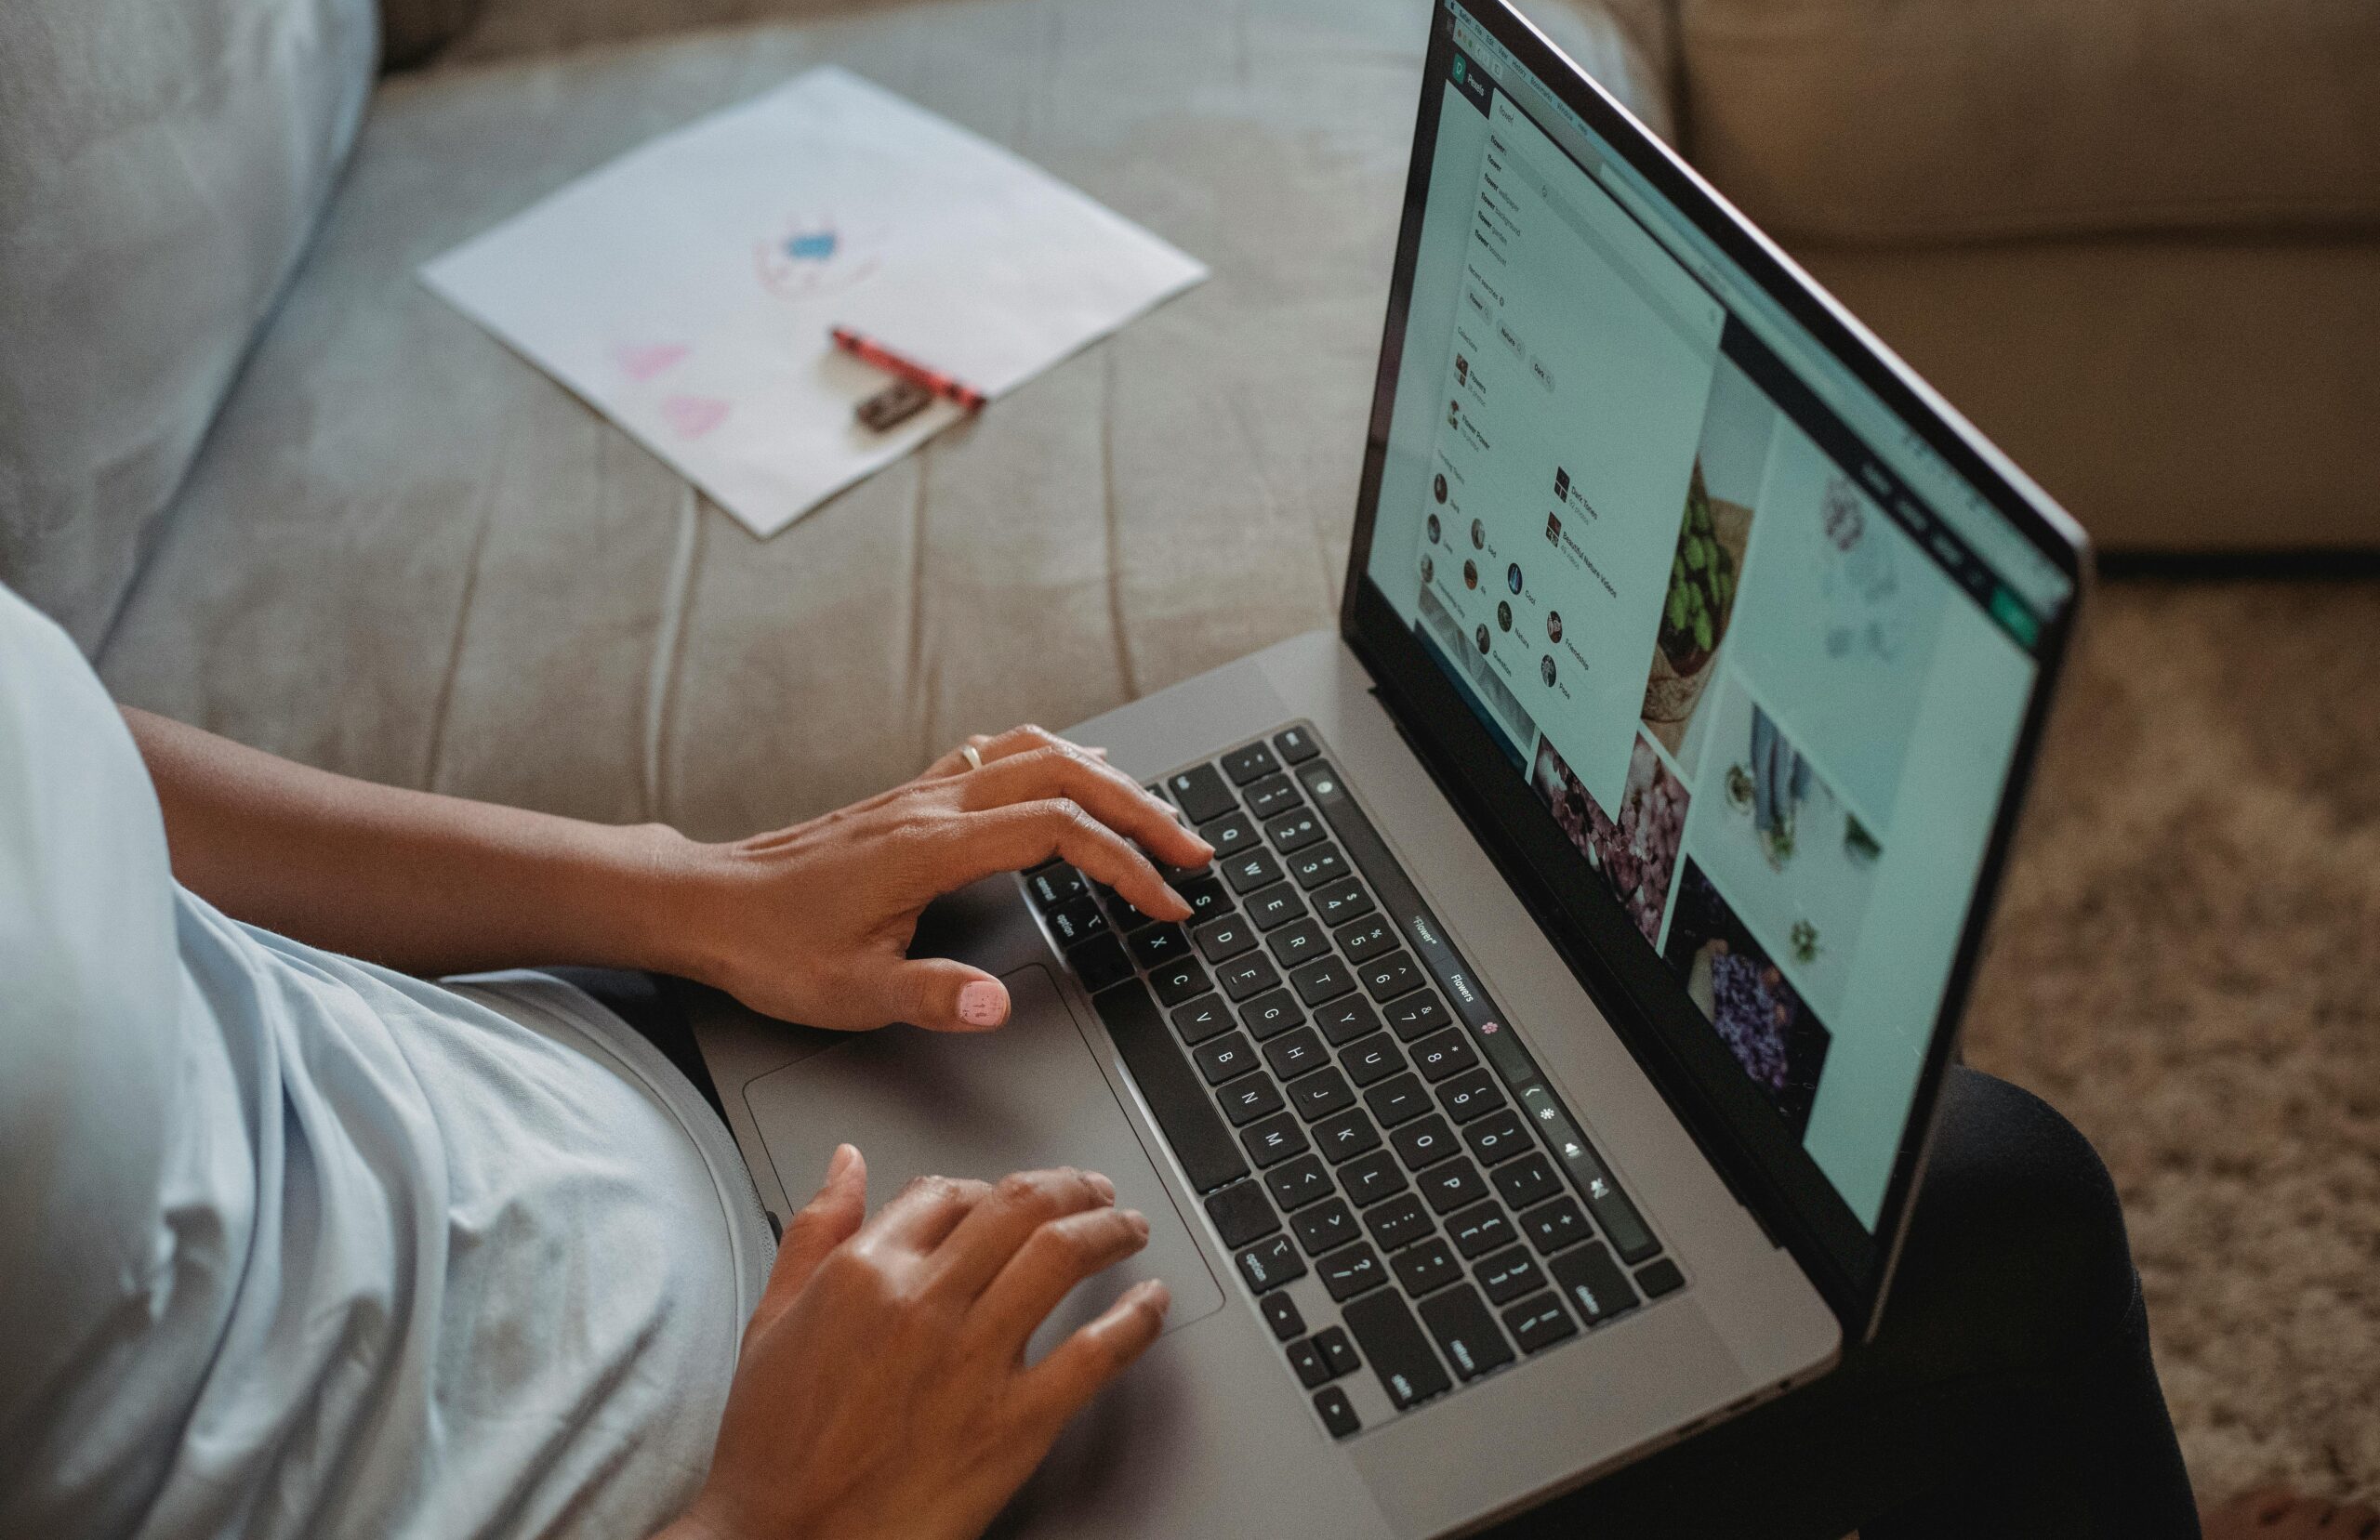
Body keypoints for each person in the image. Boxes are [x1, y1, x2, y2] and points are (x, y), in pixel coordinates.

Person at [0, 580, 2361, 1540]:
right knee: (1988, 1221)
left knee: (1338, 923)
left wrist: (675, 890)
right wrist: (772, 1520)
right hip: (785, 1474)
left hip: (617, 1065)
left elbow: (81, 757)